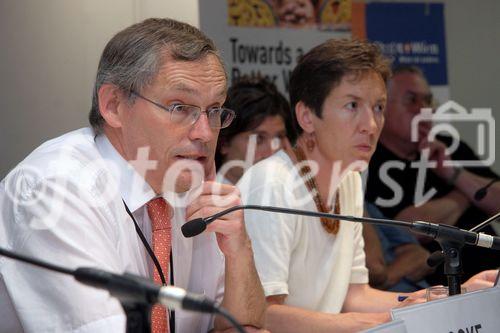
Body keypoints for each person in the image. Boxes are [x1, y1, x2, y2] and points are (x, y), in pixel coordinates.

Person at [0, 18, 266, 333]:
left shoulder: (197, 185)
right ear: (113, 106)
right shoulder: (53, 189)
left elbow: (246, 325)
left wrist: (241, 250)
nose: (206, 133)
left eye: (214, 110)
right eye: (180, 107)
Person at [237, 39, 497, 333]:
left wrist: (453, 297)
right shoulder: (272, 184)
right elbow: (263, 315)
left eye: (378, 107)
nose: (371, 125)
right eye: (352, 105)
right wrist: (389, 319)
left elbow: (354, 295)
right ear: (307, 116)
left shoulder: (348, 179)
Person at [365, 65, 500, 283]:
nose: (424, 110)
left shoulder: (450, 146)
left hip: (494, 276)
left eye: (427, 101)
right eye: (412, 101)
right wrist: (467, 193)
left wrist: (454, 174)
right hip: (439, 293)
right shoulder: (371, 161)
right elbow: (408, 229)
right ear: (382, 107)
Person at [215, 77, 295, 185]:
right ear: (223, 143)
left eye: (279, 137)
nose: (272, 153)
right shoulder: (200, 199)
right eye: (259, 139)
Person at [363, 203, 433, 292]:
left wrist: (385, 280)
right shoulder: (353, 207)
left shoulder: (369, 207)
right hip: (383, 301)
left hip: (421, 295)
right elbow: (374, 268)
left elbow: (421, 256)